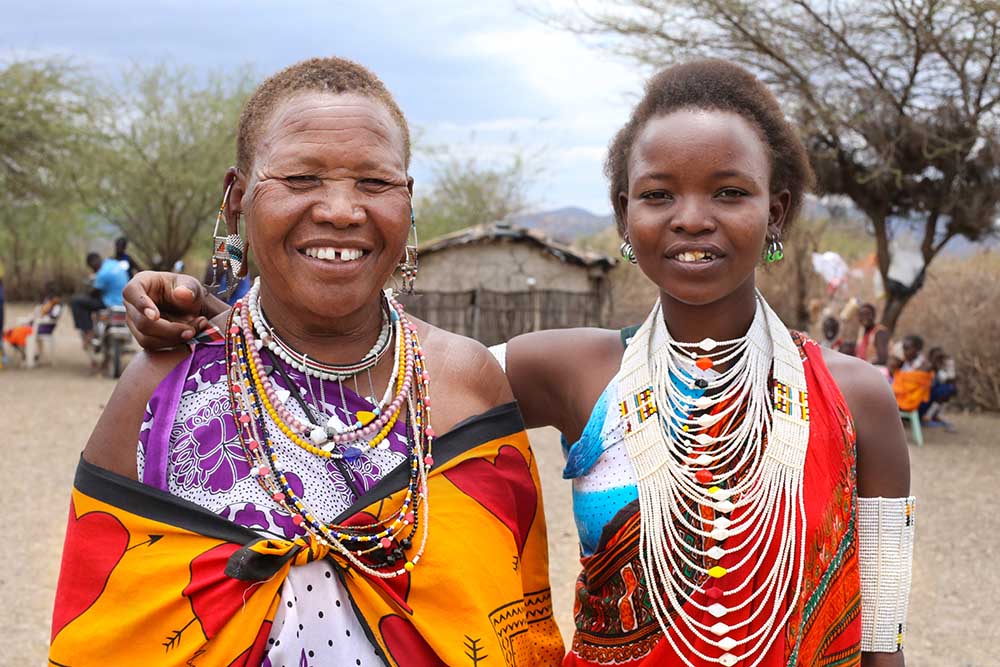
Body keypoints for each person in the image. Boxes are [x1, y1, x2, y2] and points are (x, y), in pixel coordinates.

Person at [123, 60, 916, 666]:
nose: (693, 219)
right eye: (659, 194)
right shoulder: (572, 370)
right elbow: (371, 364)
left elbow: (882, 637)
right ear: (623, 215)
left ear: (775, 210)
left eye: (730, 192)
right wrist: (218, 315)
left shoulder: (861, 398)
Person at [50, 57, 563, 667]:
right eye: (300, 178)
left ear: (408, 202)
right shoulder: (163, 389)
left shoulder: (465, 380)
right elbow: (103, 631)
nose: (342, 210)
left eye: (374, 183)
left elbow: (515, 631)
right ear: (237, 199)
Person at [69, 251, 129, 350]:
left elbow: (94, 293)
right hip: (124, 302)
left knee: (76, 301)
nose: (93, 270)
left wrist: (88, 291)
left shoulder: (102, 273)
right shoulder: (113, 263)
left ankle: (88, 330)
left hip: (110, 303)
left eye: (92, 267)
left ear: (93, 263)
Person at [921, 346, 957, 427]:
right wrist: (933, 364)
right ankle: (927, 417)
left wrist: (946, 364)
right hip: (922, 396)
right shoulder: (926, 365)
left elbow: (951, 378)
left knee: (949, 389)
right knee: (945, 389)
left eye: (940, 356)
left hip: (933, 393)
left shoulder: (945, 363)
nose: (939, 359)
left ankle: (932, 416)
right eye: (936, 357)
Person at [855, 302, 890, 367]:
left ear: (874, 315)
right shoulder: (863, 331)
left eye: (867, 314)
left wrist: (864, 366)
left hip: (874, 369)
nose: (864, 318)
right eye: (861, 315)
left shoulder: (880, 332)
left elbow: (883, 358)